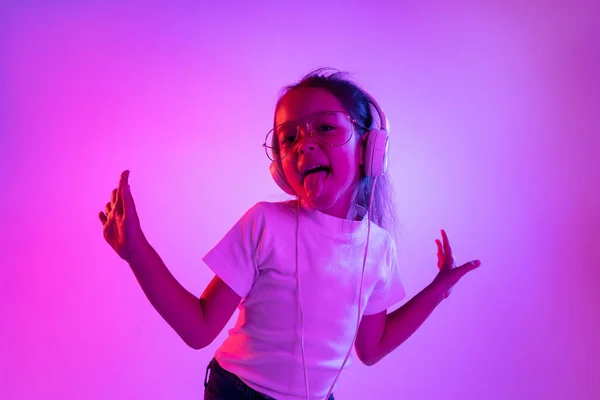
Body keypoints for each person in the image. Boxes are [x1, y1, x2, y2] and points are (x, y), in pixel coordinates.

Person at [99, 68, 481, 400]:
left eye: (325, 127)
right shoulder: (265, 224)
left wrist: (437, 290)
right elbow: (198, 329)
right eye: (289, 138)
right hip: (237, 394)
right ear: (280, 167)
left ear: (369, 148)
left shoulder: (378, 249)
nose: (305, 144)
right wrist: (137, 251)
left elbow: (372, 346)